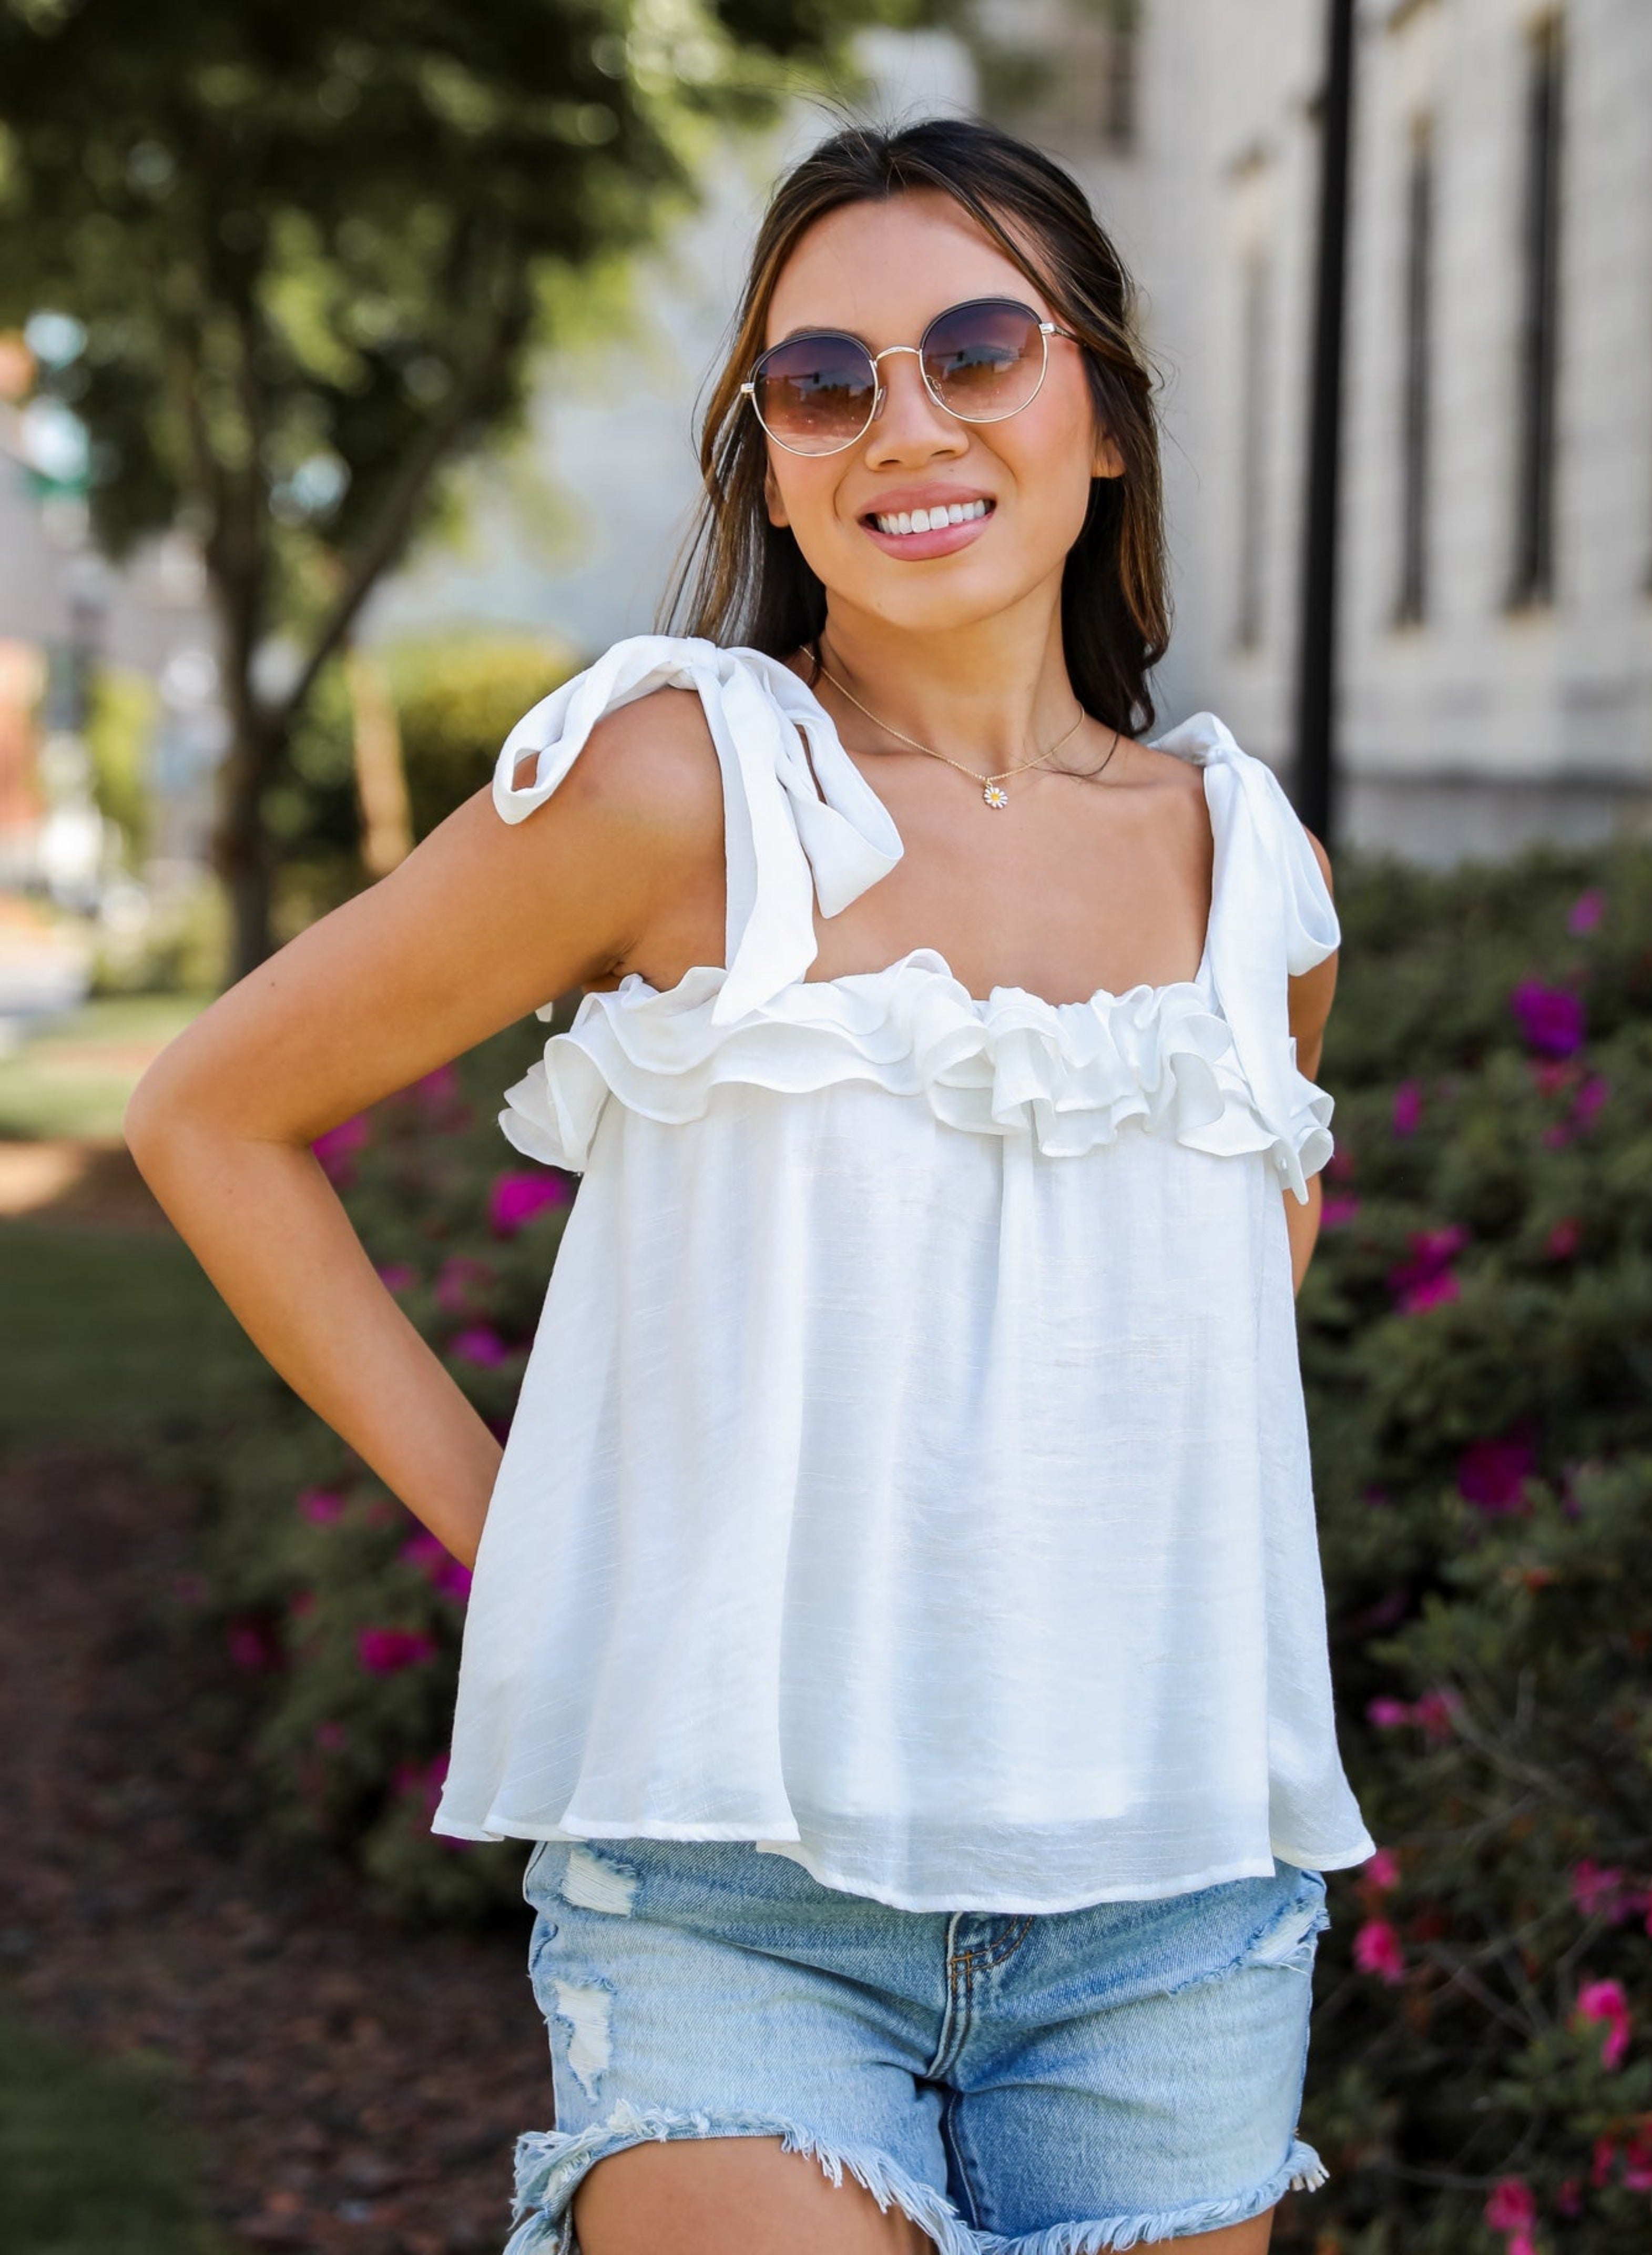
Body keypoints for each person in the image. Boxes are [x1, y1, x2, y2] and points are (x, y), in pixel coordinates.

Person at [125, 114, 1376, 2255]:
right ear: (773, 464)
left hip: (1172, 1904)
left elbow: (1229, 1292)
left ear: (1102, 414)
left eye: (979, 350)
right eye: (822, 381)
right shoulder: (678, 785)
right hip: (736, 1896)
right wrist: (523, 1532)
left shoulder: (1257, 877)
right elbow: (207, 1115)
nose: (907, 424)